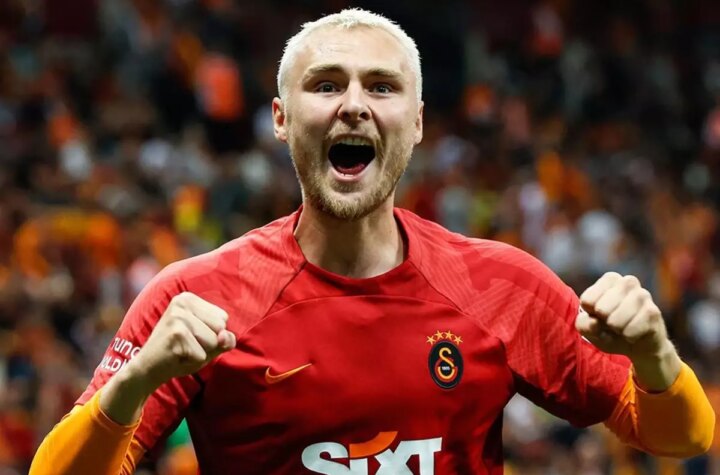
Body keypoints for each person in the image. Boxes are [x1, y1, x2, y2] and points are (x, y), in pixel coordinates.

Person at [30, 8, 714, 475]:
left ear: (415, 124)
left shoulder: (503, 286)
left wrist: (654, 356)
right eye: (326, 84)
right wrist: (136, 382)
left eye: (381, 87)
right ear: (280, 119)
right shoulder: (194, 297)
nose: (353, 104)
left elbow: (685, 436)